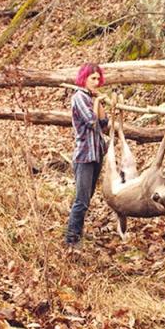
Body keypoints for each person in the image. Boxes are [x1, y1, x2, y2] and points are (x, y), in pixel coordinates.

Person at [64, 63, 108, 247]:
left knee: (87, 198)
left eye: (99, 79)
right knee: (81, 200)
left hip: (96, 154)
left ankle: (78, 233)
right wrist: (97, 102)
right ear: (84, 78)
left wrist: (99, 102)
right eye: (93, 78)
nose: (96, 82)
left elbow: (104, 123)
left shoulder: (91, 98)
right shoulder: (79, 97)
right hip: (84, 156)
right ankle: (72, 239)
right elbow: (91, 120)